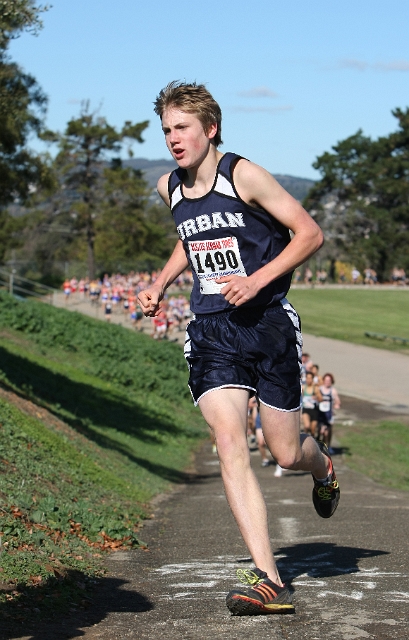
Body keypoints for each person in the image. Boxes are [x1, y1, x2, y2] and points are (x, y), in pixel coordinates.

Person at [138, 81, 340, 616]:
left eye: (182, 128)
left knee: (287, 453)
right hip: (211, 331)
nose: (173, 139)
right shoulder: (170, 188)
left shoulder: (243, 174)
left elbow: (309, 234)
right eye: (166, 130)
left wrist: (257, 280)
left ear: (211, 128)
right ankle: (269, 577)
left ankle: (323, 471)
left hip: (267, 324)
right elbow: (191, 236)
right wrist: (159, 284)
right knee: (230, 441)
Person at [317, 373, 341, 454]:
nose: (327, 382)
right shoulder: (319, 389)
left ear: (331, 381)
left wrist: (337, 404)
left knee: (327, 432)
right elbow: (314, 397)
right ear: (323, 380)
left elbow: (337, 400)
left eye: (329, 380)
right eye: (326, 380)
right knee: (321, 431)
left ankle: (328, 446)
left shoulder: (333, 391)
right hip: (320, 414)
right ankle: (321, 446)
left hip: (329, 415)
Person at [301, 371, 322, 437]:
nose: (308, 380)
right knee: (307, 426)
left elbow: (321, 399)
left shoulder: (315, 388)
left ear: (312, 379)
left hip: (314, 410)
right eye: (307, 378)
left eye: (310, 378)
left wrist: (316, 397)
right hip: (306, 409)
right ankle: (304, 441)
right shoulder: (303, 387)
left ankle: (312, 443)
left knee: (313, 430)